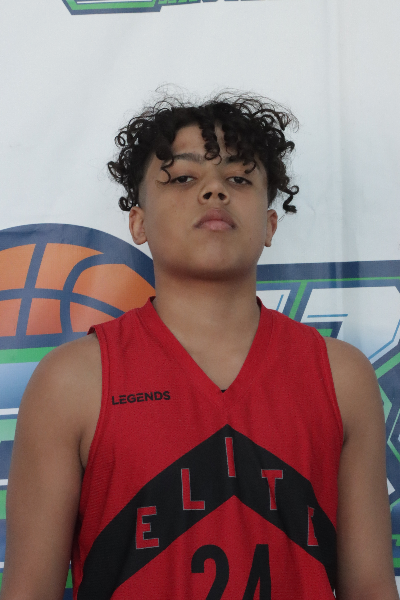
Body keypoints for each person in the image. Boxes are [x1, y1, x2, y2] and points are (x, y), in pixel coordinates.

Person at [0, 92, 398, 600]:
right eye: (183, 178)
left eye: (239, 179)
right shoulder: (73, 381)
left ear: (270, 224)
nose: (214, 190)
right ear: (138, 222)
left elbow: (370, 586)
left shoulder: (341, 376)